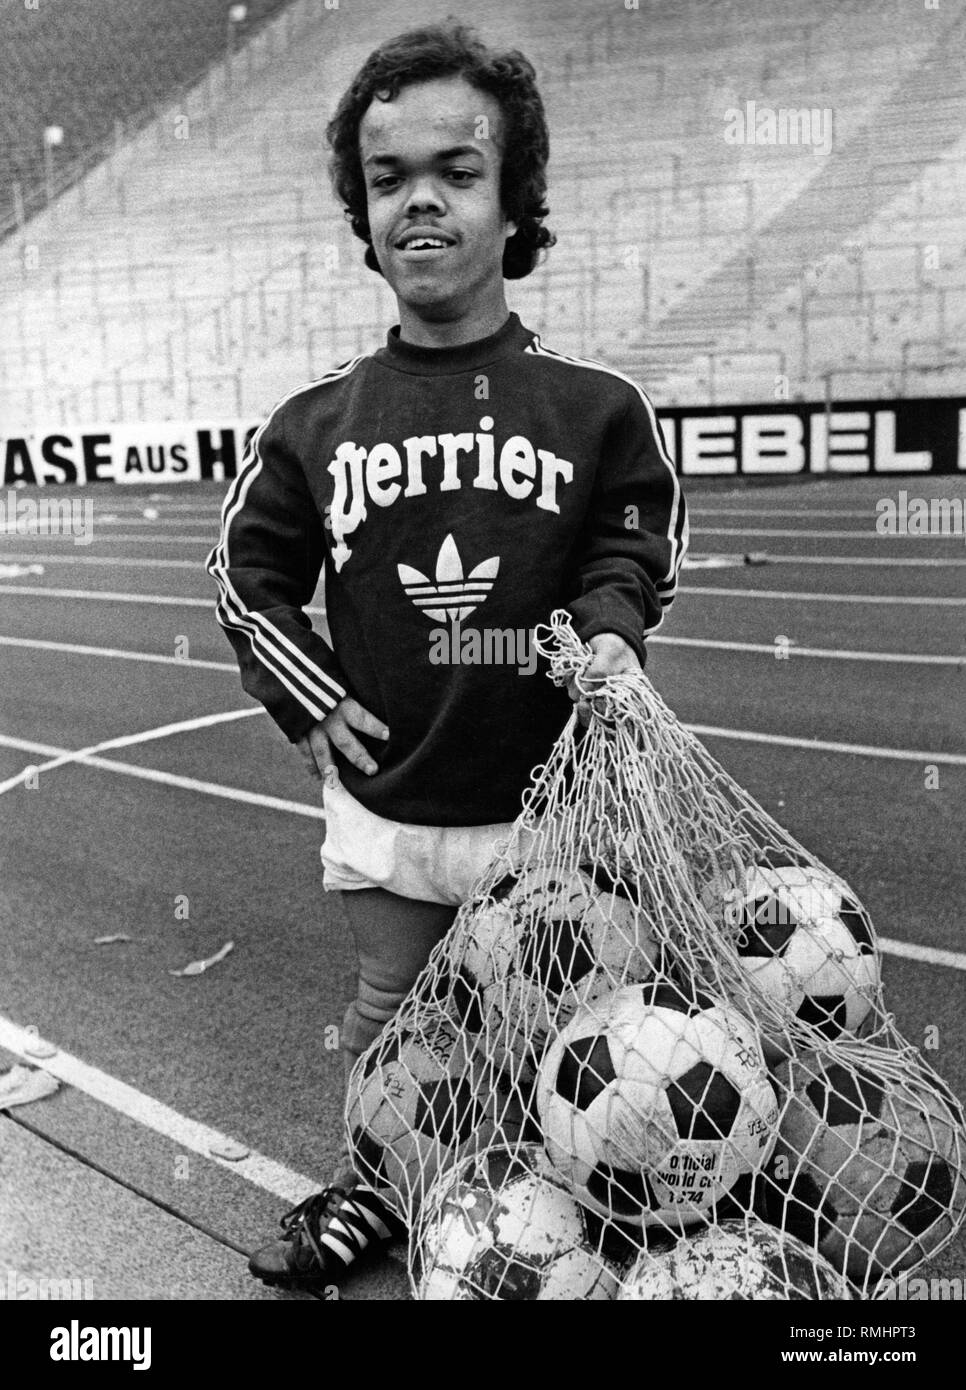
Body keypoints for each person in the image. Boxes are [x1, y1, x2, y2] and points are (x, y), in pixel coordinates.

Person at [206, 17, 688, 1293]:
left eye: (456, 171)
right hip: (393, 803)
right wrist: (304, 694)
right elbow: (244, 577)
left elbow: (635, 538)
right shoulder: (316, 420)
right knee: (394, 1017)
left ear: (513, 196)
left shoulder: (595, 408)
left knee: (583, 1034)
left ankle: (585, 1201)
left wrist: (610, 628)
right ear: (362, 215)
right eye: (386, 178)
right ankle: (380, 1188)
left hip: (564, 805)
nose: (419, 199)